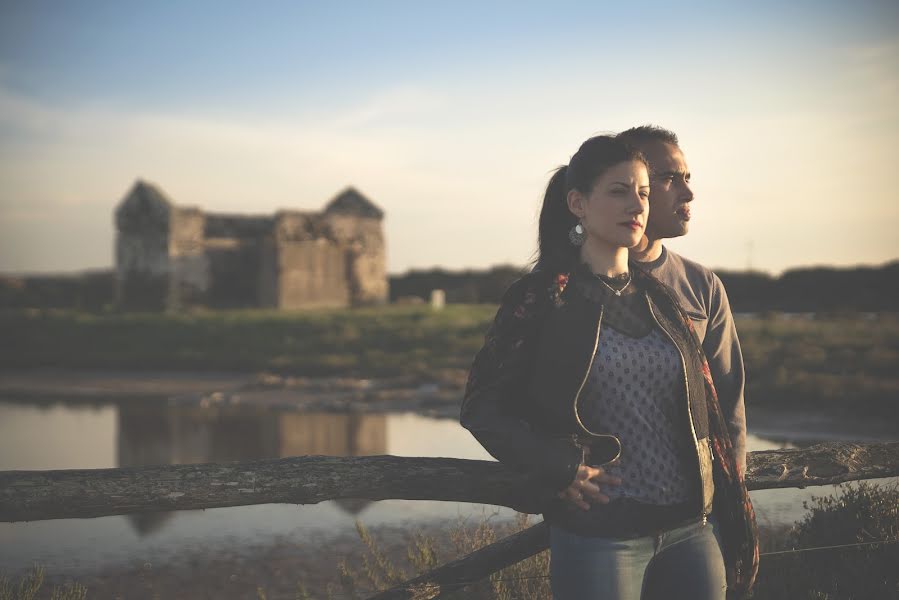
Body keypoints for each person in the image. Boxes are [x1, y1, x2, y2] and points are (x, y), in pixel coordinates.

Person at [460, 135, 758, 599]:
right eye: (618, 192)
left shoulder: (663, 299)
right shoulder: (542, 297)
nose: (636, 205)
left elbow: (716, 406)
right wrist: (558, 467)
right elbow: (482, 407)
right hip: (602, 534)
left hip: (690, 529)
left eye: (642, 192)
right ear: (578, 203)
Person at [617, 125, 747, 477]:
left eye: (687, 177)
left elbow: (728, 400)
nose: (688, 193)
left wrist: (729, 488)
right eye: (670, 179)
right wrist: (560, 471)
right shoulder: (570, 283)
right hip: (602, 516)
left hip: (693, 516)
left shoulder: (703, 284)